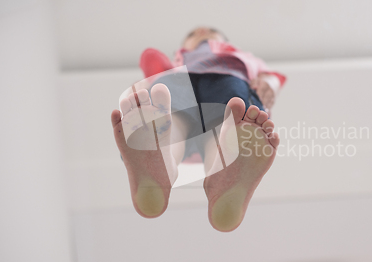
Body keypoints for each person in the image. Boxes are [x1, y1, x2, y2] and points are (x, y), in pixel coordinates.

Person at [110, 27, 286, 232]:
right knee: (172, 118)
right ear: (183, 47)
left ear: (225, 41)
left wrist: (269, 85)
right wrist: (142, 91)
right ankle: (163, 160)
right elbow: (150, 79)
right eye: (193, 34)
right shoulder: (175, 62)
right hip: (181, 80)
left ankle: (223, 170)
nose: (203, 32)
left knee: (224, 130)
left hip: (228, 80)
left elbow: (272, 77)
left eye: (211, 31)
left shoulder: (243, 57)